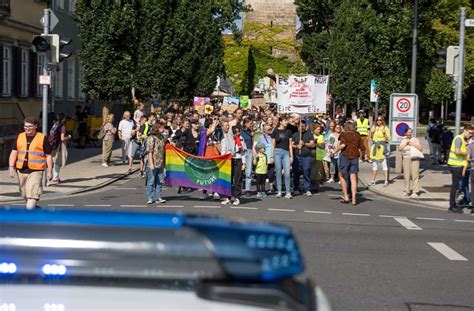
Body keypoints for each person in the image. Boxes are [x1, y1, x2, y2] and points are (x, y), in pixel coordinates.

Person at [8, 117, 53, 210]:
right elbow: (14, 152)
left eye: (30, 126)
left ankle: (28, 217)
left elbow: (48, 156)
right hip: (21, 170)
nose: (27, 128)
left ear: (36, 126)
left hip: (36, 171)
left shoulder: (42, 138)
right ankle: (35, 210)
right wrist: (11, 166)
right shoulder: (20, 136)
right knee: (25, 194)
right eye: (25, 126)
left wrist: (49, 171)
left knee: (33, 194)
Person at [332, 121, 365, 205]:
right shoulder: (357, 135)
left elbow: (342, 145)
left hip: (345, 156)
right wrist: (363, 156)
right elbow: (362, 148)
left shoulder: (344, 134)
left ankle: (346, 196)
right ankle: (354, 199)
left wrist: (334, 151)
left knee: (341, 175)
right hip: (355, 157)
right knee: (353, 178)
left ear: (346, 127)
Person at [445, 125, 473, 213]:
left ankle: (454, 205)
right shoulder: (459, 139)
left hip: (458, 165)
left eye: (473, 134)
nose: (471, 135)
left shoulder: (463, 140)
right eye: (470, 133)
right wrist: (466, 153)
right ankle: (452, 206)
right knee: (455, 186)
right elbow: (457, 151)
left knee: (457, 186)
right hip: (455, 165)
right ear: (465, 130)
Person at [220, 122, 246, 206]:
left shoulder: (241, 139)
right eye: (236, 132)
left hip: (238, 160)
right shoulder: (225, 140)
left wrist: (244, 163)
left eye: (238, 132)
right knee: (228, 179)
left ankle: (237, 197)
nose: (237, 134)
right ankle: (227, 197)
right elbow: (223, 152)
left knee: (237, 180)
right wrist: (229, 153)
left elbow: (243, 152)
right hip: (229, 160)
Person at [271, 117, 293, 199]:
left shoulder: (288, 131)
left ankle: (288, 192)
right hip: (277, 152)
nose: (286, 122)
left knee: (287, 173)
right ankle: (279, 191)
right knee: (278, 172)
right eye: (285, 120)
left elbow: (290, 144)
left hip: (286, 152)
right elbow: (273, 144)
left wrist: (291, 156)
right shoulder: (275, 131)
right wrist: (271, 156)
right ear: (280, 122)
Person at [399, 128, 423, 198]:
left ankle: (415, 191)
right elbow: (400, 149)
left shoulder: (415, 139)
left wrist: (413, 144)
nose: (409, 134)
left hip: (415, 158)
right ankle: (406, 190)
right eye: (408, 132)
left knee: (415, 175)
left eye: (410, 132)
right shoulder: (403, 140)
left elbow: (421, 148)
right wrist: (405, 144)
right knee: (406, 175)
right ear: (405, 133)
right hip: (406, 158)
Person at [146, 123, 167, 205]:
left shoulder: (162, 138)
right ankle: (150, 198)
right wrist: (151, 164)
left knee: (159, 181)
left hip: (160, 163)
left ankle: (158, 197)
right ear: (157, 129)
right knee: (151, 181)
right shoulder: (151, 138)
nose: (163, 129)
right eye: (162, 128)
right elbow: (149, 152)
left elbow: (163, 152)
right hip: (153, 162)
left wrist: (164, 164)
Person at [293, 120, 315, 196]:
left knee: (306, 171)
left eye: (303, 126)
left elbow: (312, 145)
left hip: (306, 157)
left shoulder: (309, 134)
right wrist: (296, 146)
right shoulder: (295, 134)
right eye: (300, 126)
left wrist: (304, 144)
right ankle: (296, 188)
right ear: (298, 126)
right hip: (297, 156)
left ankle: (307, 189)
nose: (302, 127)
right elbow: (291, 144)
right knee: (296, 172)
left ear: (306, 126)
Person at [49, 113, 71, 184]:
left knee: (53, 161)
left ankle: (56, 177)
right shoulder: (62, 127)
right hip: (59, 146)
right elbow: (62, 138)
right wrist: (68, 137)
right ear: (63, 119)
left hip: (53, 145)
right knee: (57, 162)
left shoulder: (55, 125)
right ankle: (55, 179)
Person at [369, 116, 390, 186]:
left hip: (382, 147)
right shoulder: (375, 127)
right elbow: (371, 137)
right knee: (374, 164)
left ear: (383, 121)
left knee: (384, 165)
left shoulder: (385, 128)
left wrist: (384, 133)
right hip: (375, 146)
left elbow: (388, 139)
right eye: (377, 120)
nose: (378, 121)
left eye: (380, 120)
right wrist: (371, 132)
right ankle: (373, 180)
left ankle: (386, 181)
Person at [256, 124, 275, 193]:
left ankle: (271, 187)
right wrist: (258, 154)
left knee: (271, 173)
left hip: (272, 157)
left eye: (271, 129)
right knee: (263, 174)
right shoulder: (261, 137)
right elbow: (257, 146)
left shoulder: (273, 136)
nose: (270, 130)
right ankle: (261, 189)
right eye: (268, 129)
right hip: (264, 158)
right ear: (264, 131)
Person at [310, 123, 326, 194]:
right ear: (314, 130)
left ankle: (317, 186)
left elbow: (323, 146)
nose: (318, 131)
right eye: (317, 129)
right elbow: (310, 145)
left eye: (319, 129)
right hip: (311, 154)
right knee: (312, 170)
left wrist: (316, 144)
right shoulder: (310, 135)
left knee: (318, 171)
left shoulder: (321, 136)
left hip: (319, 154)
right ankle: (311, 185)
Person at [240, 118, 254, 195]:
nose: (250, 125)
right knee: (241, 171)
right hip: (242, 151)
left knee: (248, 171)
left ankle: (248, 189)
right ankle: (240, 188)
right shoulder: (241, 132)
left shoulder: (250, 132)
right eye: (249, 123)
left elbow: (252, 143)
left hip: (249, 151)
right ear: (245, 123)